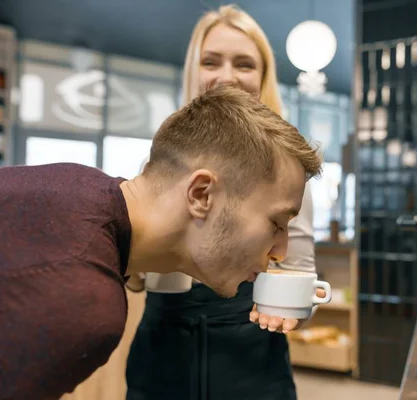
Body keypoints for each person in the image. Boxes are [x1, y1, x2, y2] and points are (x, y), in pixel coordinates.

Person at [0, 85, 322, 400]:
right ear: (202, 194)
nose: (281, 251)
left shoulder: (76, 183)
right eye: (276, 222)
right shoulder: (82, 302)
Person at [125, 6, 320, 400]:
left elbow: (300, 272)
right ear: (193, 71)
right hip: (162, 351)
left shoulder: (289, 177)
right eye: (211, 61)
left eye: (244, 64)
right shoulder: (157, 164)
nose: (226, 75)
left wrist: (288, 310)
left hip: (249, 355)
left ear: (264, 76)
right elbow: (135, 270)